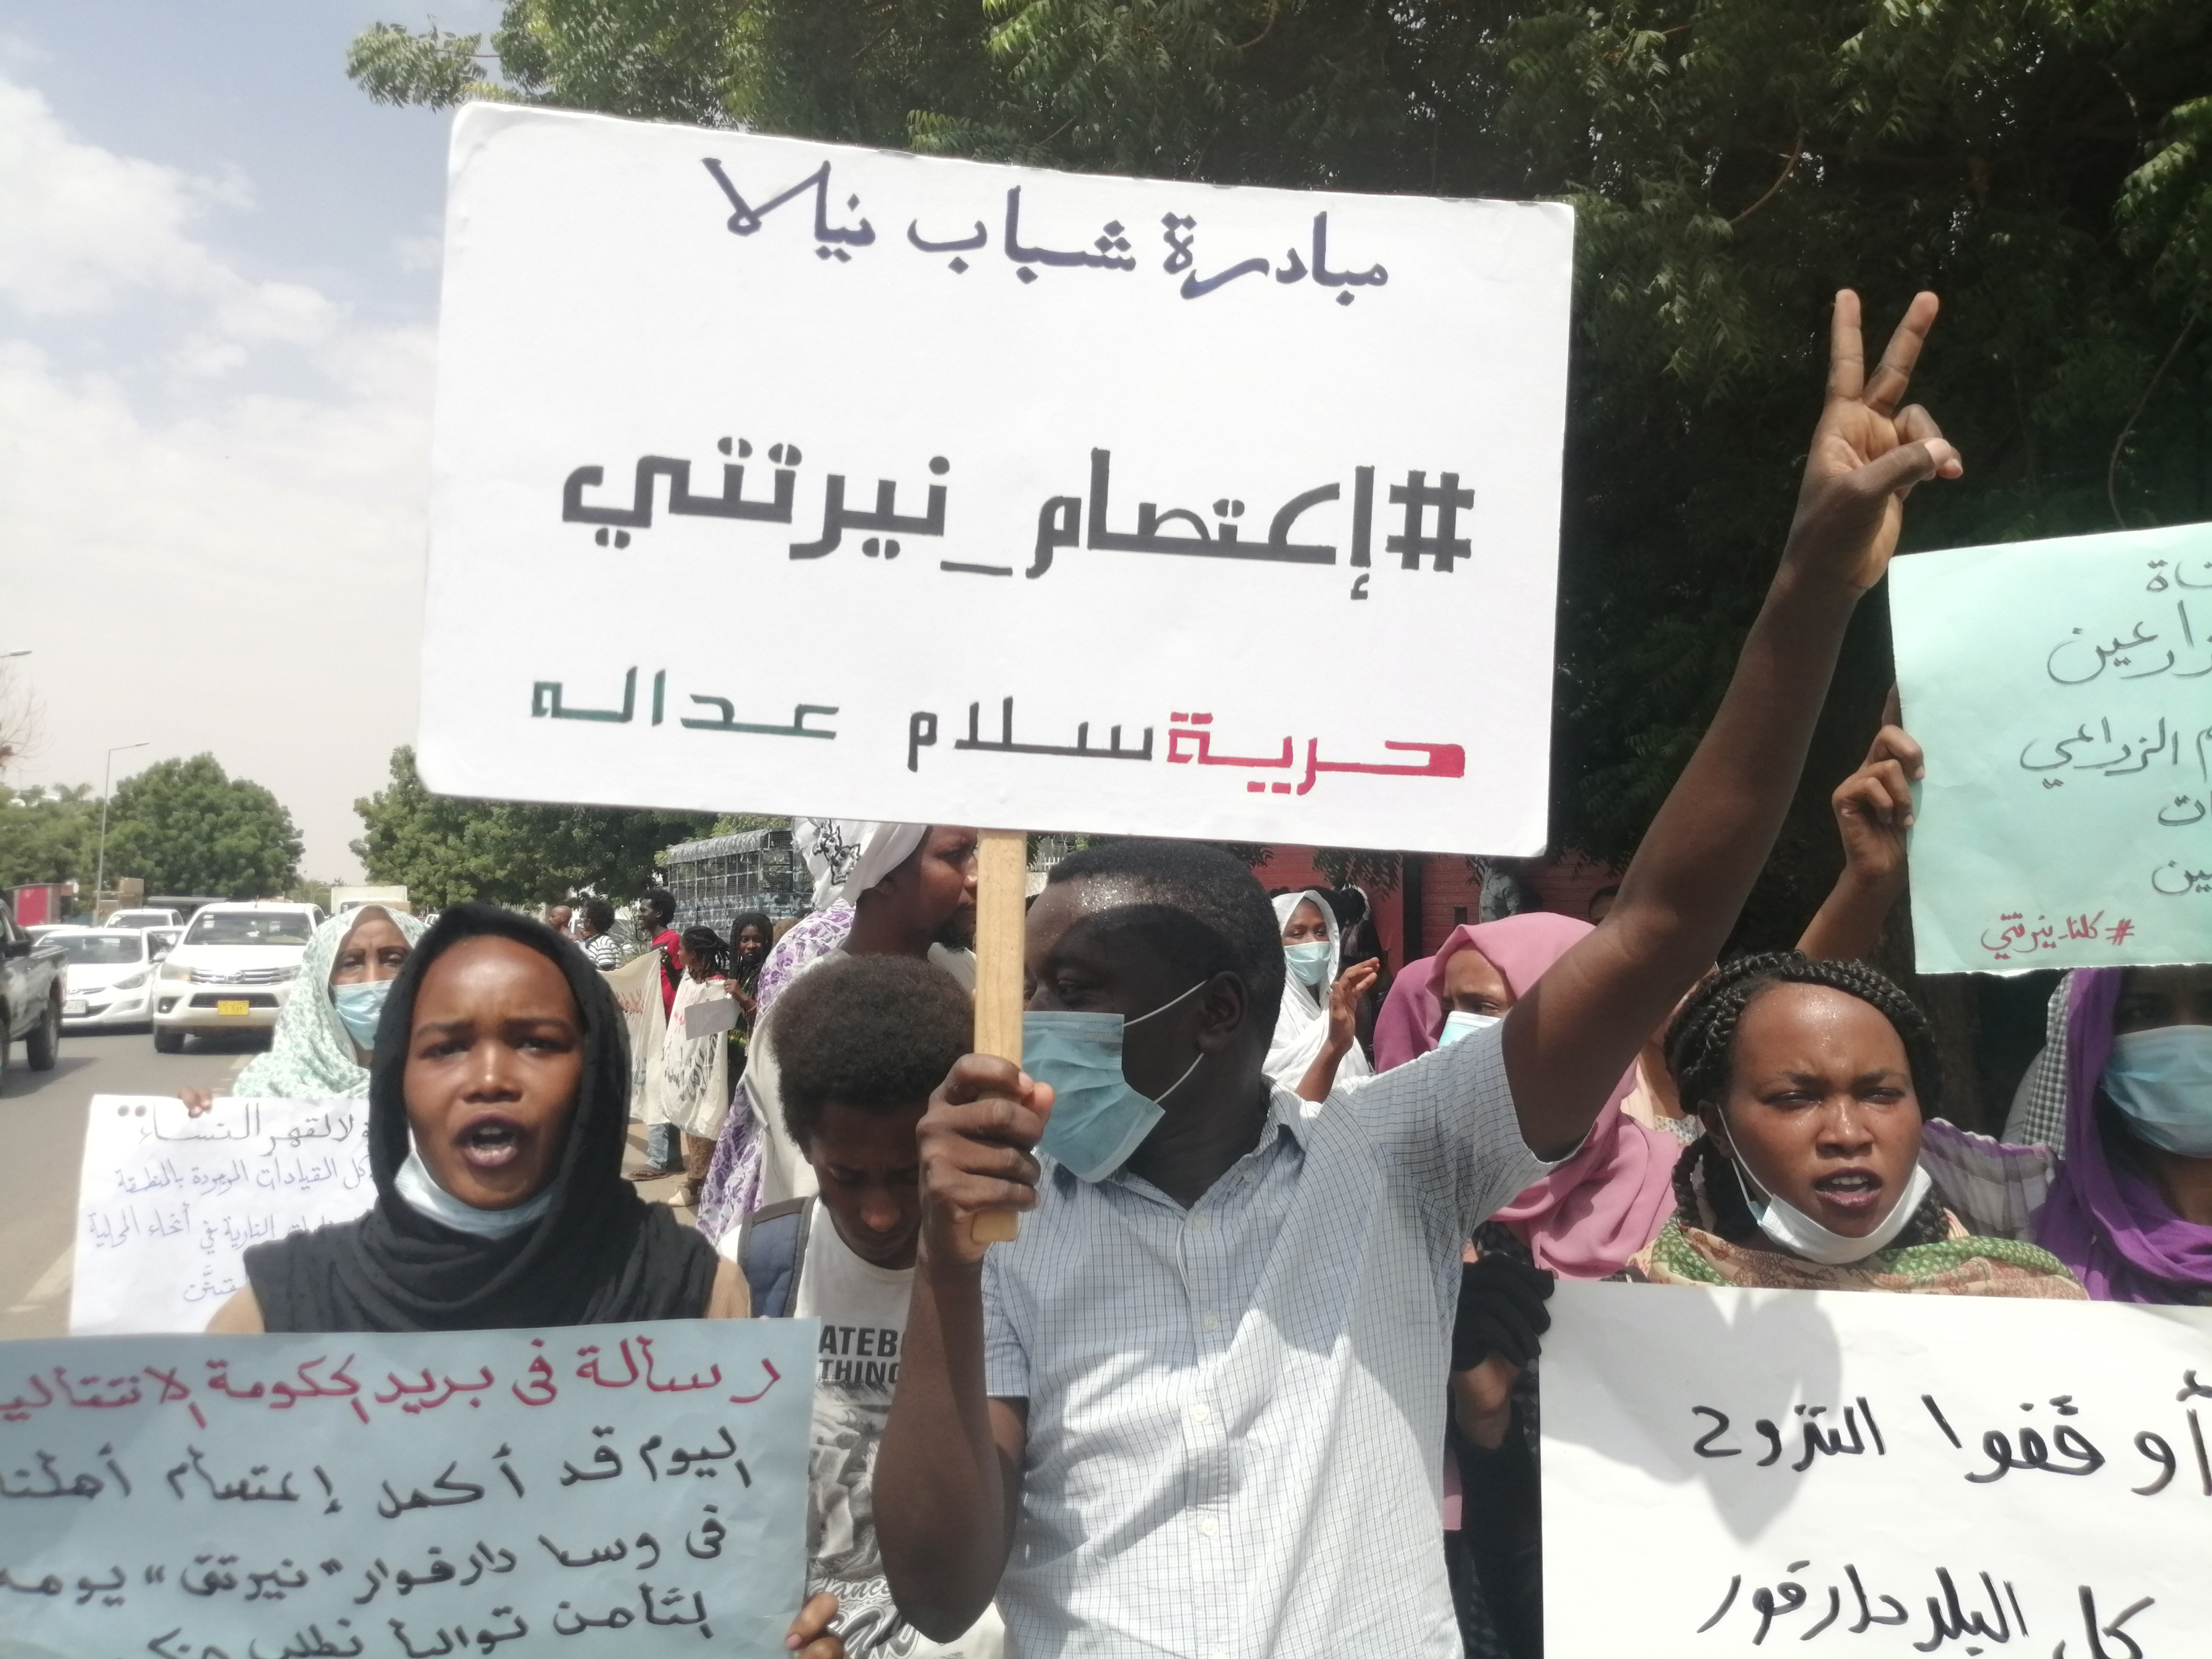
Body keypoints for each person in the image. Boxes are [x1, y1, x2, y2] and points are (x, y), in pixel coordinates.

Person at [873, 286, 1973, 1658]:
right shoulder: (1009, 1233)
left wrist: (1809, 583)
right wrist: (941, 1267)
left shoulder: (1399, 1155)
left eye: (1082, 982)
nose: (1036, 1018)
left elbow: (1663, 923)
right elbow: (938, 1588)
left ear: (1220, 1013)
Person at [205, 904, 741, 1332]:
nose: (489, 1079)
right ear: (399, 1081)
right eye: (447, 1048)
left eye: (536, 1042)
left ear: (596, 1073)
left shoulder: (701, 1296)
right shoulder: (271, 1319)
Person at [724, 956, 1002, 1658]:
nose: (879, 1215)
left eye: (909, 1177)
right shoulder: (750, 1270)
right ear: (804, 1145)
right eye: (846, 1176)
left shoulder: (1010, 1274)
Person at [695, 823, 981, 1240]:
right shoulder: (811, 1020)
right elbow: (838, 1210)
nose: (976, 875)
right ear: (882, 875)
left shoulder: (965, 970)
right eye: (956, 855)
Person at [182, 904, 428, 1113]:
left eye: (394, 961)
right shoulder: (270, 1085)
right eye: (351, 963)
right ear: (322, 985)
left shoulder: (449, 1081)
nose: (372, 979)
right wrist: (195, 1124)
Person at [1266, 890, 1379, 1101]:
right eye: (1298, 934)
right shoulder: (1264, 1019)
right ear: (1273, 943)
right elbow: (1286, 1115)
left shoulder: (1337, 1007)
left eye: (1320, 931)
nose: (1314, 943)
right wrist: (1333, 1047)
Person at [655, 922, 736, 1208]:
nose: (678, 953)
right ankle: (701, 1181)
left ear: (693, 952)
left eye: (682, 950)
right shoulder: (692, 977)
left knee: (705, 1127)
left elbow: (706, 1028)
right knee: (692, 1126)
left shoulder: (716, 985)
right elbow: (686, 1008)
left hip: (702, 1071)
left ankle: (696, 1183)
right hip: (685, 1067)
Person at [637, 886, 688, 1178]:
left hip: (667, 1024)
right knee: (662, 1089)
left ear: (658, 913)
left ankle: (658, 1160)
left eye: (644, 910)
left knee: (657, 1090)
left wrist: (670, 967)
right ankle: (671, 1158)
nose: (640, 915)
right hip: (659, 1023)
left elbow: (682, 979)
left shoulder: (671, 941)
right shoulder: (656, 942)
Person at [576, 897, 621, 969]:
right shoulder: (598, 941)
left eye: (584, 917)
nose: (582, 920)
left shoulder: (603, 943)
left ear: (590, 921)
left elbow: (607, 972)